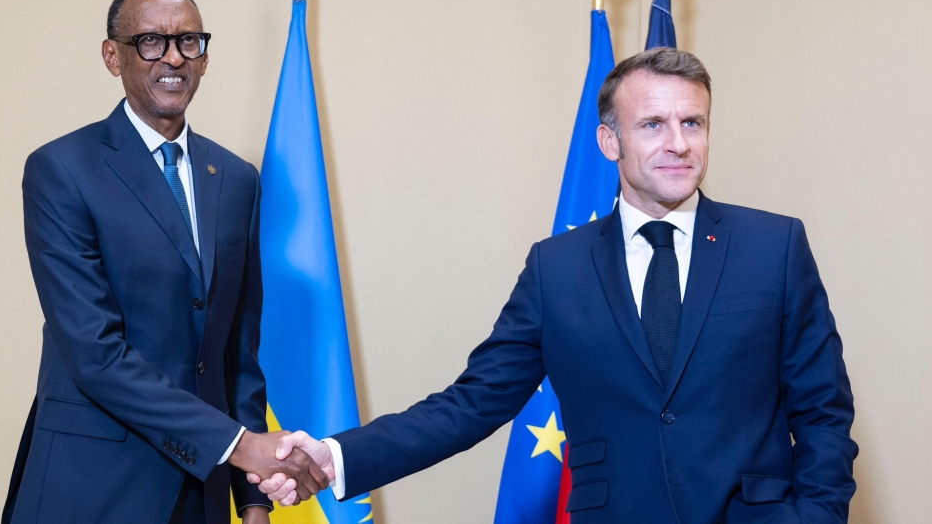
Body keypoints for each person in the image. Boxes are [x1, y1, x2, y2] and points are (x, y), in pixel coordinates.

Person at [258, 48, 857, 523]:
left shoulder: (774, 246)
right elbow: (471, 404)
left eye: (692, 122)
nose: (678, 143)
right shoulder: (557, 268)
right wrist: (336, 457)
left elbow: (824, 409)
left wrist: (816, 515)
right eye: (652, 124)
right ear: (609, 141)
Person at [2, 0, 328, 524]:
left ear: (204, 57)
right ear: (114, 56)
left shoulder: (236, 180)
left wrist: (251, 500)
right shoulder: (62, 170)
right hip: (89, 489)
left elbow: (236, 356)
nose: (174, 58)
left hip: (199, 498)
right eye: (151, 41)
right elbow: (95, 353)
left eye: (189, 42)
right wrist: (238, 444)